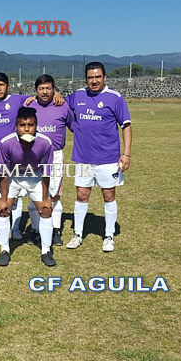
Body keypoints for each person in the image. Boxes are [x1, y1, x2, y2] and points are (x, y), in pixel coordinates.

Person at [0, 72, 64, 242]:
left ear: (8, 86)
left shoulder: (17, 100)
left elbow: (40, 96)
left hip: (11, 161)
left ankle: (15, 228)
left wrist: (56, 93)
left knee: (14, 197)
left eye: (1, 85)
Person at [65, 62, 132, 252]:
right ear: (86, 79)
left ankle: (109, 235)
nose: (94, 81)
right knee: (81, 195)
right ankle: (78, 234)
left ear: (104, 77)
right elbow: (59, 102)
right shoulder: (78, 95)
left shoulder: (115, 98)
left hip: (108, 159)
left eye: (97, 77)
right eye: (90, 77)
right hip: (83, 158)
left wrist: (126, 153)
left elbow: (126, 126)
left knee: (108, 195)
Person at [0, 107, 55, 267]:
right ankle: (4, 250)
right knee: (3, 210)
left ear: (36, 126)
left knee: (45, 210)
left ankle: (46, 251)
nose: (27, 129)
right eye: (23, 125)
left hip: (35, 177)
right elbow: (3, 173)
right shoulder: (6, 142)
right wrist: (3, 199)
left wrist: (45, 198)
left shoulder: (45, 142)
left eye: (31, 125)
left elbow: (46, 172)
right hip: (14, 177)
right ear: (16, 126)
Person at [26, 75, 74, 246]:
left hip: (55, 156)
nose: (45, 92)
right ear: (36, 90)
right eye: (41, 88)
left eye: (48, 88)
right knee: (34, 194)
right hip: (33, 155)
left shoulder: (62, 105)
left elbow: (74, 126)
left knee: (54, 194)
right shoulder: (29, 105)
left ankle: (55, 230)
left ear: (53, 89)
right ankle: (35, 230)